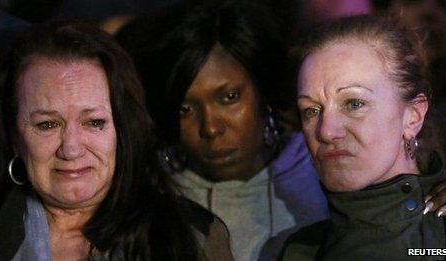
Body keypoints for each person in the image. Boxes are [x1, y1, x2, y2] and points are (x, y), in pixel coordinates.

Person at [0, 22, 233, 260]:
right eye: (47, 125)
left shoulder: (189, 237)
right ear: (14, 136)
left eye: (94, 122)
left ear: (121, 128)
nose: (71, 149)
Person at [117, 1, 329, 260]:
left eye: (229, 97)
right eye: (186, 109)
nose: (211, 128)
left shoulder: (322, 170)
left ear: (262, 90)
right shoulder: (152, 197)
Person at [282, 15, 446, 260]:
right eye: (311, 110)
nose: (326, 131)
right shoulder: (300, 251)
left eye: (353, 103)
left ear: (412, 117)